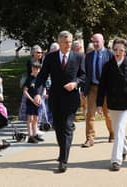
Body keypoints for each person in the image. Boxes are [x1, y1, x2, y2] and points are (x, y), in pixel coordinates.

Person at [34, 30, 85, 173]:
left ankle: (63, 160)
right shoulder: (50, 58)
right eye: (65, 42)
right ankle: (63, 150)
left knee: (67, 126)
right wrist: (38, 93)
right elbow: (42, 77)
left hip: (71, 98)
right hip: (55, 98)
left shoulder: (78, 57)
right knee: (58, 126)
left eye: (70, 42)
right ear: (59, 42)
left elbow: (83, 76)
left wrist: (75, 83)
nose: (68, 45)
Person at [97, 38, 127, 171]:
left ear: (125, 51)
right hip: (112, 103)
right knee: (117, 130)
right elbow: (102, 86)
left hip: (126, 104)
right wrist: (99, 104)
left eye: (121, 50)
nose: (118, 52)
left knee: (120, 129)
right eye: (116, 49)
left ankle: (116, 160)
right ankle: (125, 148)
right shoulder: (107, 66)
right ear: (112, 50)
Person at [82, 33, 114, 148]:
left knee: (108, 114)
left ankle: (112, 133)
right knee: (90, 114)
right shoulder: (89, 56)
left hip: (106, 89)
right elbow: (85, 73)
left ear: (103, 41)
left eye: (97, 42)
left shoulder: (110, 54)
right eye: (93, 42)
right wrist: (83, 90)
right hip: (93, 88)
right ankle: (89, 139)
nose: (95, 44)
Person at [23, 62, 44, 143]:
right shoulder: (29, 79)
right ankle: (30, 136)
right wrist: (32, 100)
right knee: (30, 119)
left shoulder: (40, 79)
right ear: (32, 69)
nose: (36, 70)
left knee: (36, 118)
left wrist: (41, 97)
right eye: (34, 68)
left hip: (38, 101)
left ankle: (35, 134)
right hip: (30, 101)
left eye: (37, 69)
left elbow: (43, 88)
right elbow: (25, 91)